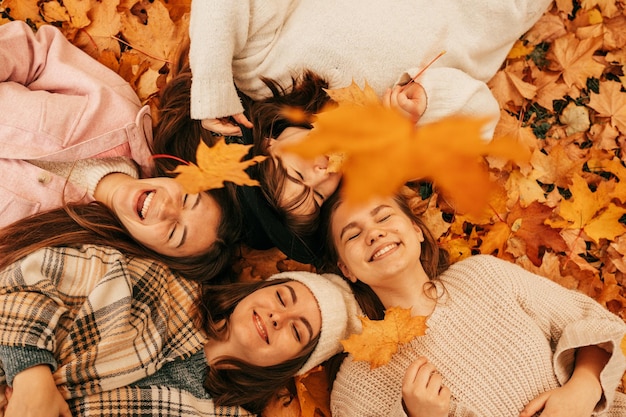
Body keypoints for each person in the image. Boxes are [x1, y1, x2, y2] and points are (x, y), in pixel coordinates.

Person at [320, 191, 626, 416]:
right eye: (353, 235)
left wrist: (581, 392)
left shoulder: (483, 275)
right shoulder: (357, 381)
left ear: (416, 230)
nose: (374, 233)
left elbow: (593, 326)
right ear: (346, 269)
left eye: (384, 216)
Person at [0, 20, 242, 282]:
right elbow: (37, 53)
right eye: (186, 199)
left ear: (153, 254)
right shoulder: (121, 114)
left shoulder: (58, 250)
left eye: (173, 233)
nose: (166, 209)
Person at [0, 243, 362, 417]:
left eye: (297, 332)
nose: (277, 318)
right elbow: (26, 278)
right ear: (260, 288)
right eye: (282, 297)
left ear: (291, 366)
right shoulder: (160, 284)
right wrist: (31, 377)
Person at [188, 0, 554, 139]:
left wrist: (212, 82)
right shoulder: (365, 148)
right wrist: (427, 101)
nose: (313, 173)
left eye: (291, 178)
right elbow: (479, 120)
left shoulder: (255, 71)